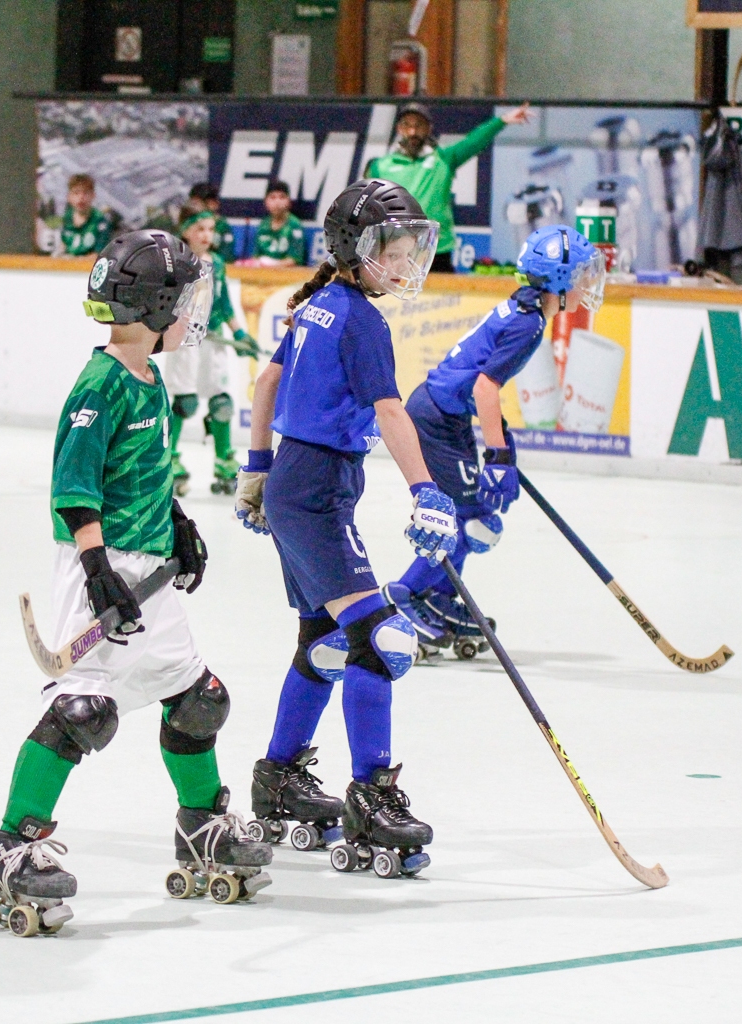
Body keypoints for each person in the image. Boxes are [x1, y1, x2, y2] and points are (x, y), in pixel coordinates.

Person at [0, 229, 271, 936]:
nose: (193, 312)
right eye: (184, 299)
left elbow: (145, 471)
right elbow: (74, 487)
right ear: (155, 304)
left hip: (152, 569)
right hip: (102, 568)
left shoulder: (151, 379)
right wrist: (95, 566)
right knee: (83, 713)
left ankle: (200, 826)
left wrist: (179, 522)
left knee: (197, 702)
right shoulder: (100, 384)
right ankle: (12, 846)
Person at [234, 179, 459, 878]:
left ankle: (279, 779)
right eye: (392, 251)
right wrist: (427, 492)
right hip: (318, 491)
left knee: (323, 642)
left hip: (297, 480)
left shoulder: (317, 304)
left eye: (408, 251)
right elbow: (390, 412)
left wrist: (258, 469)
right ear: (355, 251)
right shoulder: (361, 319)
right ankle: (373, 796)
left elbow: (265, 385)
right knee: (379, 638)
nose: (404, 264)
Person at [385, 225, 605, 656]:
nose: (586, 285)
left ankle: (439, 595)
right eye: (580, 275)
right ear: (559, 280)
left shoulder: (524, 308)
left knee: (475, 519)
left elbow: (476, 381)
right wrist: (498, 456)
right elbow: (485, 386)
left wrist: (501, 439)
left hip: (444, 413)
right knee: (470, 524)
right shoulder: (529, 324)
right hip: (436, 419)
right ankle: (405, 595)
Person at [162, 206, 261, 498]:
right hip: (185, 340)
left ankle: (223, 459)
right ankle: (168, 458)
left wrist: (239, 333)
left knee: (221, 403)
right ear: (186, 231)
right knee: (186, 401)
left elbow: (224, 302)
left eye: (210, 229)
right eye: (200, 229)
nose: (207, 235)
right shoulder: (177, 261)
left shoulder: (216, 262)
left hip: (214, 338)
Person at [365, 102, 530, 274]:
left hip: (436, 251)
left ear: (428, 128)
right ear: (399, 129)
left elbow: (473, 142)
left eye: (419, 125)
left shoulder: (443, 159)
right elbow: (368, 210)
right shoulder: (380, 167)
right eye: (407, 125)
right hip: (396, 250)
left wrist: (502, 121)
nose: (413, 132)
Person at [55, 174, 115, 257]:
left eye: (85, 193)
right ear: (69, 197)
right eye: (76, 193)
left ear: (93, 195)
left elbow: (99, 254)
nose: (81, 197)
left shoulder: (100, 221)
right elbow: (63, 246)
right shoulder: (66, 219)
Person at [252, 181, 307, 266]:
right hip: (263, 272)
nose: (277, 202)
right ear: (266, 202)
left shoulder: (295, 225)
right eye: (272, 197)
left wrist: (271, 265)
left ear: (289, 202)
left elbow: (294, 260)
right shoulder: (263, 225)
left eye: (282, 197)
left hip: (287, 272)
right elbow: (256, 256)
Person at [188, 182, 237, 261]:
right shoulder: (186, 225)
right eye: (194, 204)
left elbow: (227, 257)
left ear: (214, 204)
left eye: (202, 204)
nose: (196, 208)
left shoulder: (222, 226)